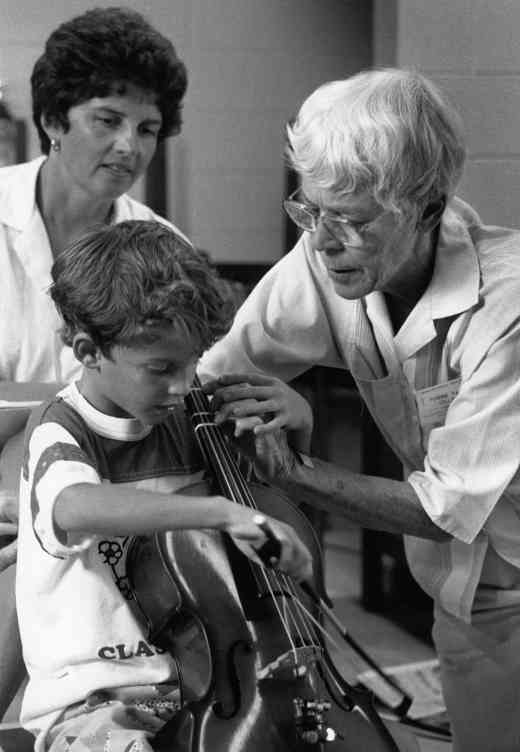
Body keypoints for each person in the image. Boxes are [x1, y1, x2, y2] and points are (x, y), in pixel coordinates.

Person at [198, 68, 520, 752]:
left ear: (428, 208)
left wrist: (293, 470)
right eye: (310, 209)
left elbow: (443, 510)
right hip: (465, 587)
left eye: (352, 219)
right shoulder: (329, 253)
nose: (321, 239)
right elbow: (219, 371)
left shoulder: (509, 311)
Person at [16, 219, 312, 752]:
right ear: (87, 350)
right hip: (99, 701)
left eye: (194, 362)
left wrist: (297, 422)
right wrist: (220, 512)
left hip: (205, 685)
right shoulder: (62, 429)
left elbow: (264, 510)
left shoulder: (193, 420)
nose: (183, 385)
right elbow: (75, 505)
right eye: (160, 368)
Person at [0, 5, 188, 718]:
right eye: (106, 120)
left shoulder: (162, 247)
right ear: (52, 118)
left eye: (146, 129)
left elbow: (167, 393)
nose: (128, 147)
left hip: (87, 503)